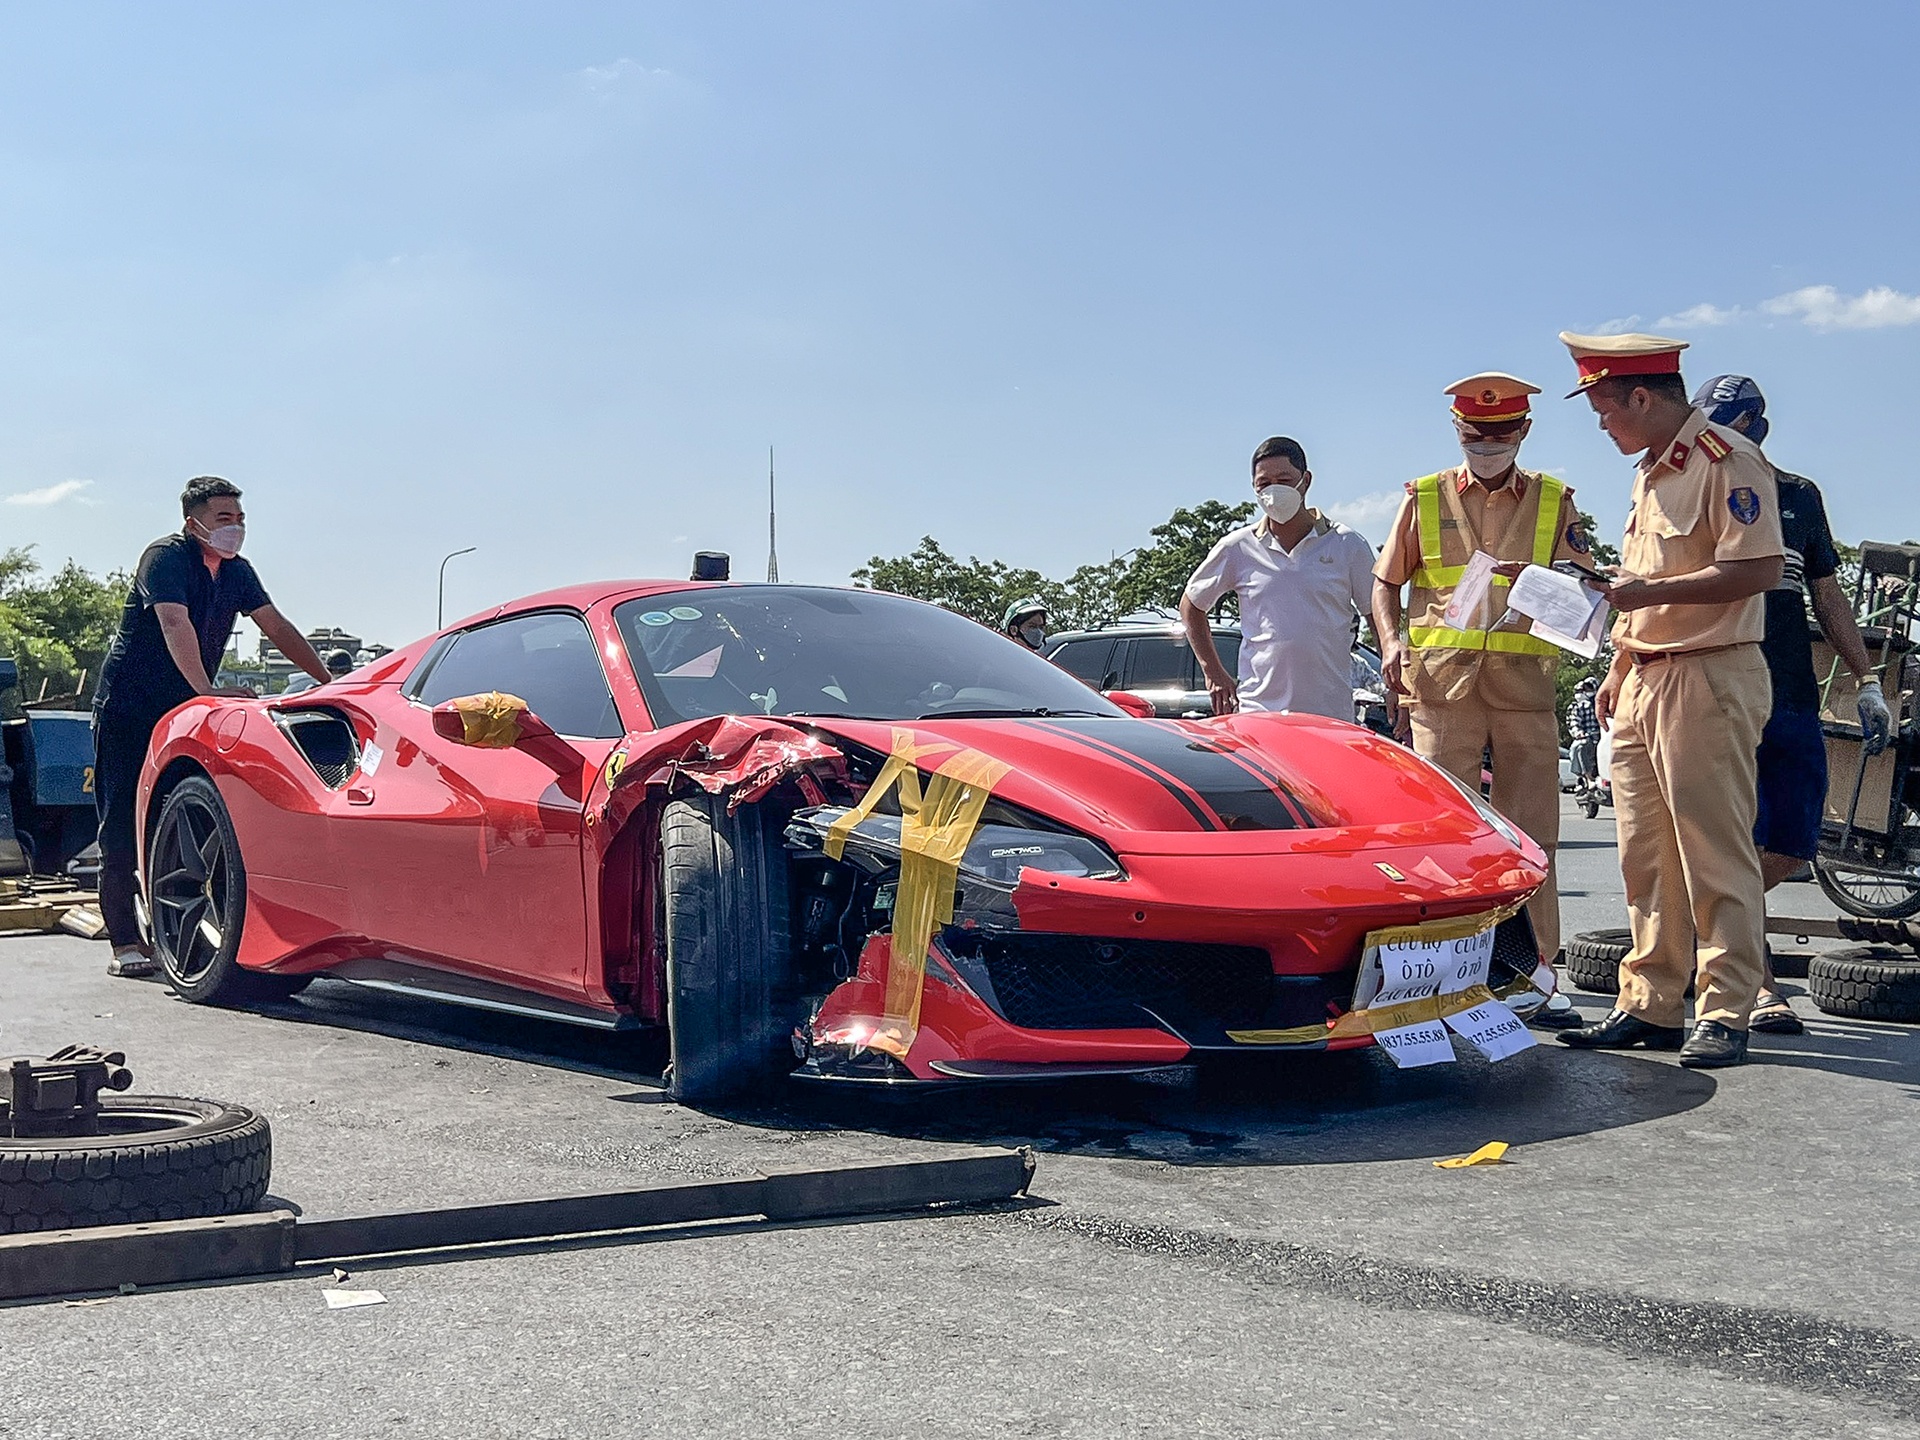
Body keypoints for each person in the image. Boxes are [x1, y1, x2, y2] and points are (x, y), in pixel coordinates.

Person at [1554, 334, 1785, 1068]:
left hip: (1709, 673)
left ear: (1643, 398)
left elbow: (1759, 567)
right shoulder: (1650, 472)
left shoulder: (1727, 460)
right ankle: (1652, 1002)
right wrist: (1621, 659)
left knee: (1714, 853)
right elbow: (1647, 578)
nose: (1601, 425)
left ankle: (1725, 1009)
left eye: (1604, 409)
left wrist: (1649, 594)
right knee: (1646, 856)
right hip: (1645, 673)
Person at [1371, 374, 1586, 1012]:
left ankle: (1538, 977)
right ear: (1457, 432)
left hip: (1525, 692)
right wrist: (1389, 644)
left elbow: (1585, 585)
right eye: (1473, 435)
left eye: (1498, 435)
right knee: (1441, 834)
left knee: (1534, 834)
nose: (1485, 445)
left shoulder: (1554, 500)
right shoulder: (1424, 497)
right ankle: (1439, 983)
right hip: (1441, 691)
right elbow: (1387, 583)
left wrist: (1560, 589)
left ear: (1523, 432)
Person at [1692, 374, 1890, 1034]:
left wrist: (1866, 681)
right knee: (1739, 839)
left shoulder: (1799, 497)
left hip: (1791, 699)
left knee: (1792, 845)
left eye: (1721, 425)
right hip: (1721, 693)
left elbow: (1829, 598)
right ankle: (1757, 984)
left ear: (1752, 426)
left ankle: (1712, 936)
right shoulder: (1695, 493)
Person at [92, 476, 332, 978]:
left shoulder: (238, 572)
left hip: (183, 710)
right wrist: (207, 691)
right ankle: (124, 942)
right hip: (129, 709)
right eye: (224, 518)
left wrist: (328, 682)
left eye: (240, 519)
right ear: (193, 521)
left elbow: (278, 626)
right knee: (120, 824)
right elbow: (175, 625)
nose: (235, 528)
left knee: (177, 819)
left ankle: (177, 922)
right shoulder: (164, 558)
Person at [1181, 436, 1376, 720]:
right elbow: (1192, 605)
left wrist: (1396, 684)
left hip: (1330, 714)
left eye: (1284, 480)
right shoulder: (1238, 547)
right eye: (1264, 483)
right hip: (1259, 714)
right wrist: (1214, 673)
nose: (1273, 491)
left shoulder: (1346, 544)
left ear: (1305, 481)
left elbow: (1377, 614)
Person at [1566, 675, 1601, 786]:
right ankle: (1588, 777)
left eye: (1589, 688)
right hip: (1588, 737)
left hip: (1604, 737)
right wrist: (1578, 732)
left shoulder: (1603, 703)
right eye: (1585, 689)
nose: (1587, 691)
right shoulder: (1580, 706)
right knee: (1580, 747)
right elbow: (1574, 721)